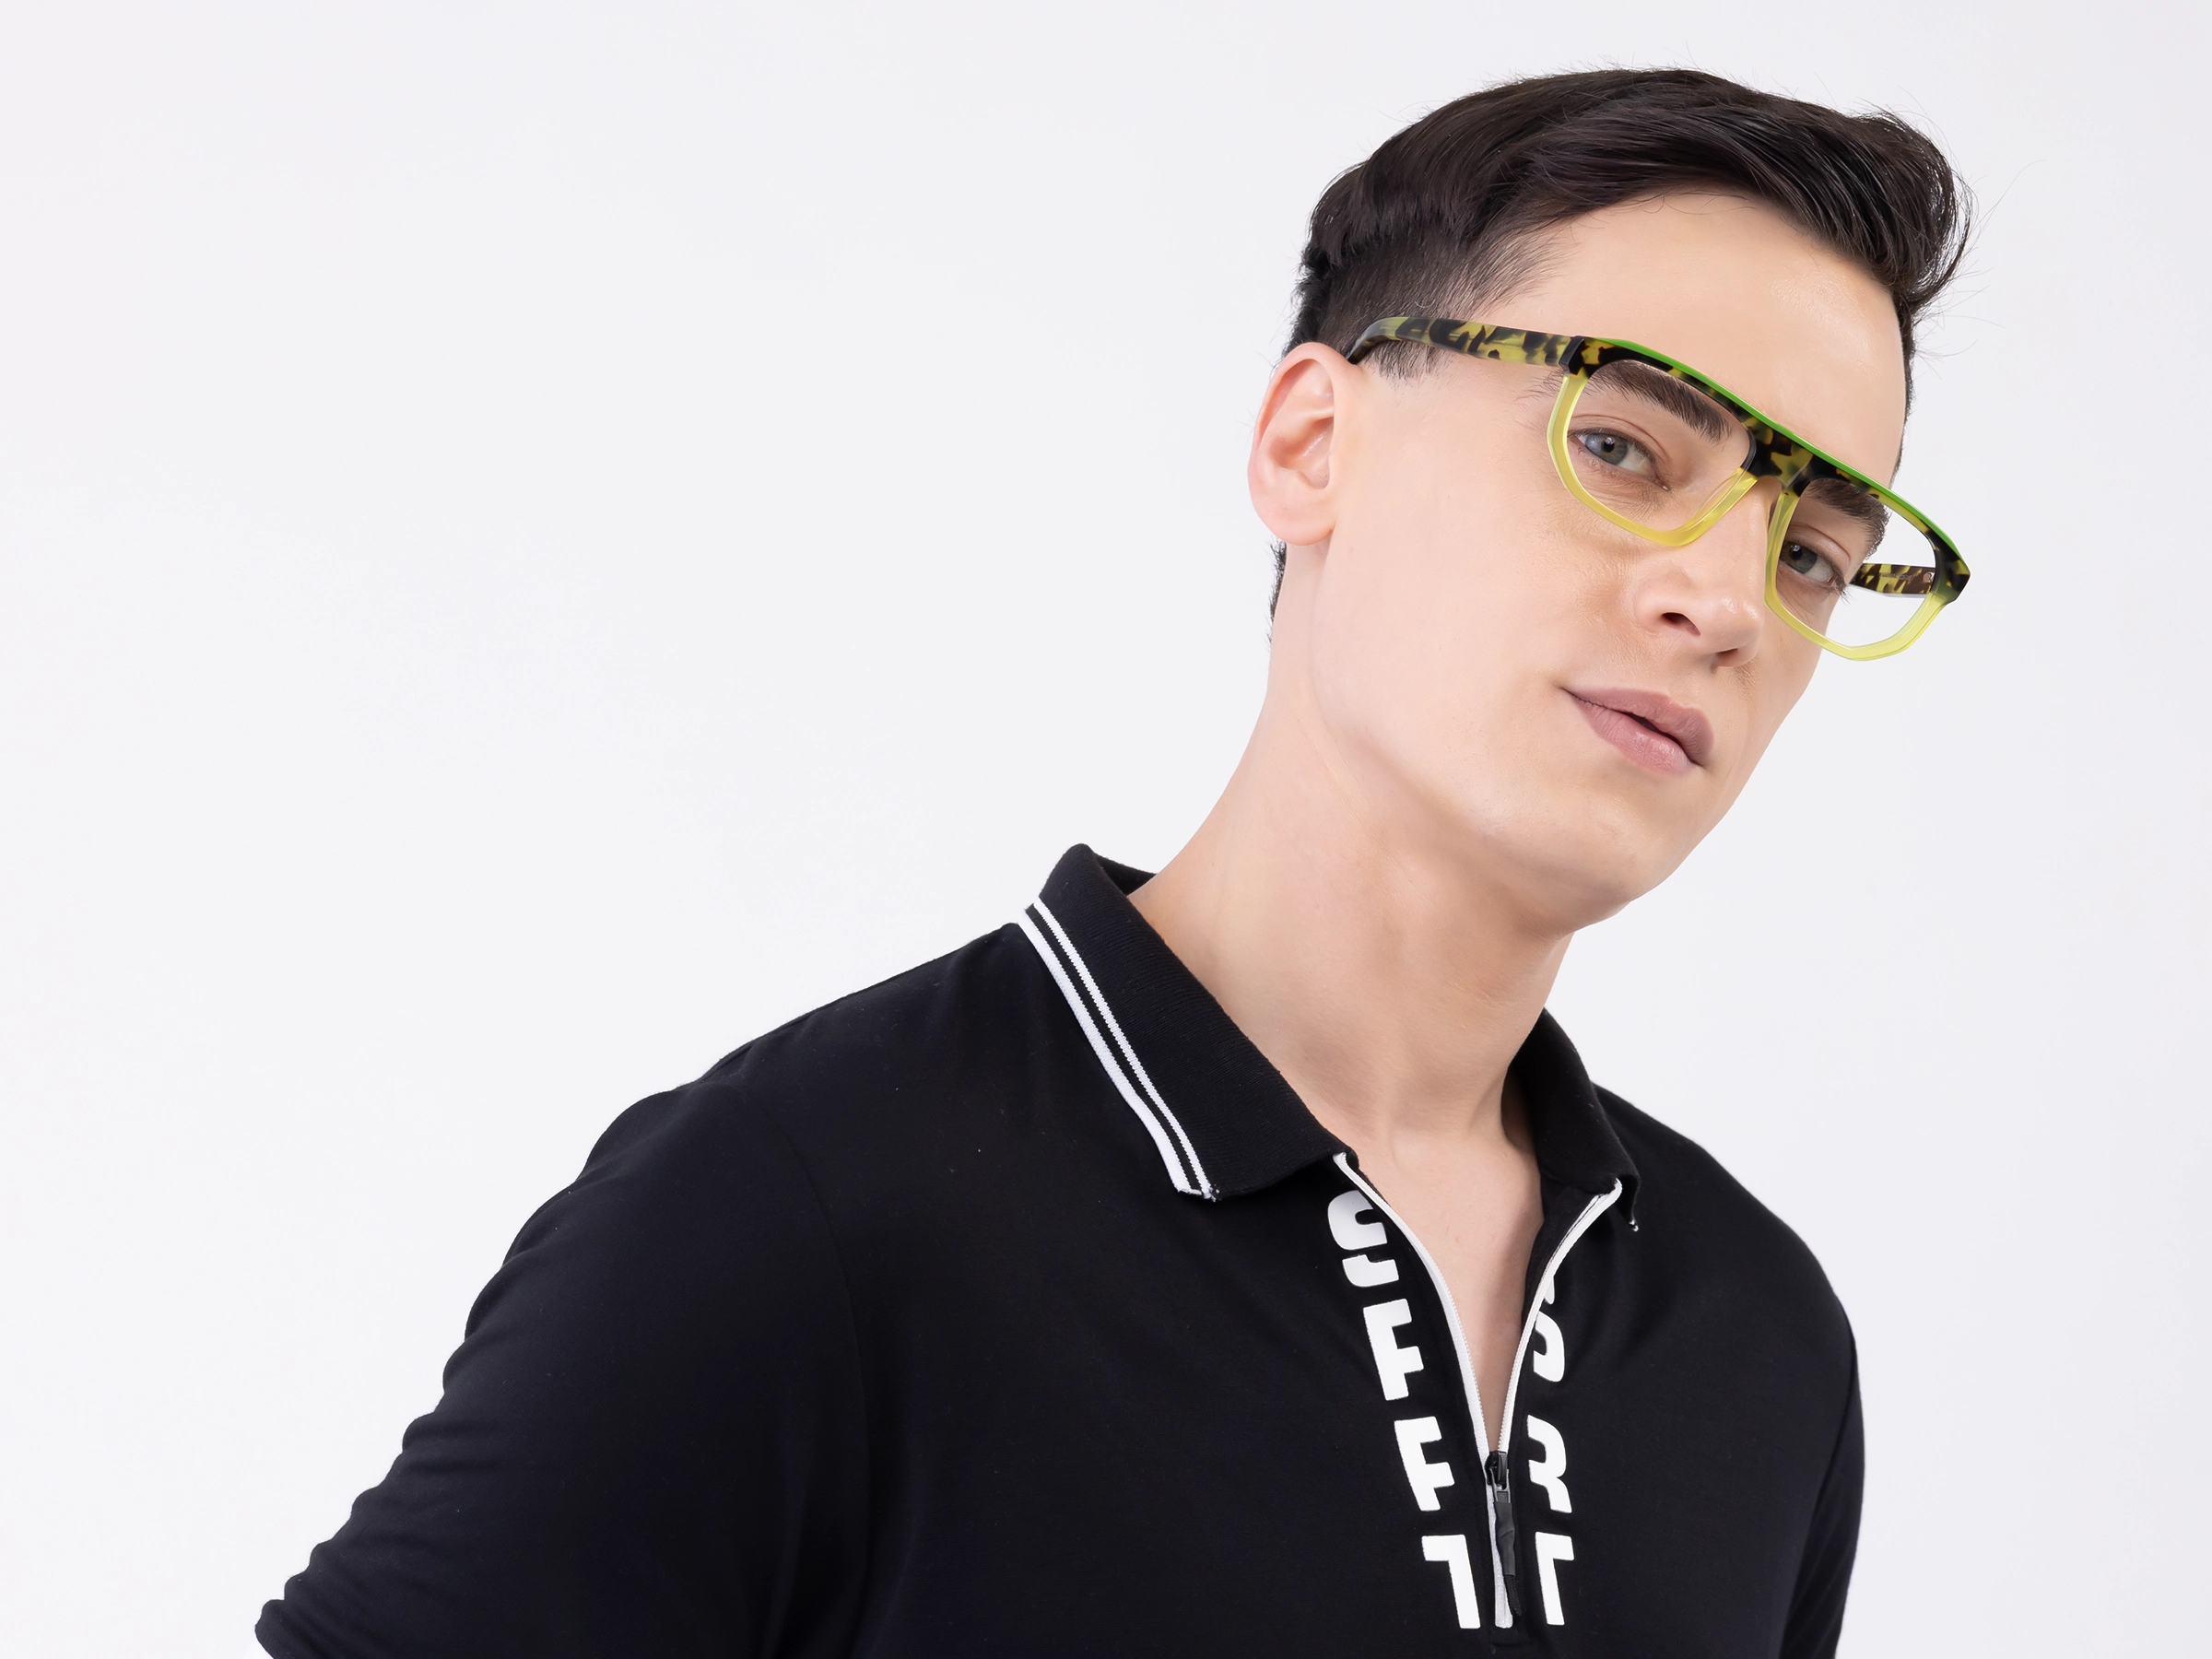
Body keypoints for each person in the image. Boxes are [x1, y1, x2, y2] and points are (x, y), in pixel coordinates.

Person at [258, 67, 1971, 1658]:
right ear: (1313, 445)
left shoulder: (1758, 1336)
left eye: (1814, 552)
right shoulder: (799, 1217)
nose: (1726, 603)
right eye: (1622, 447)